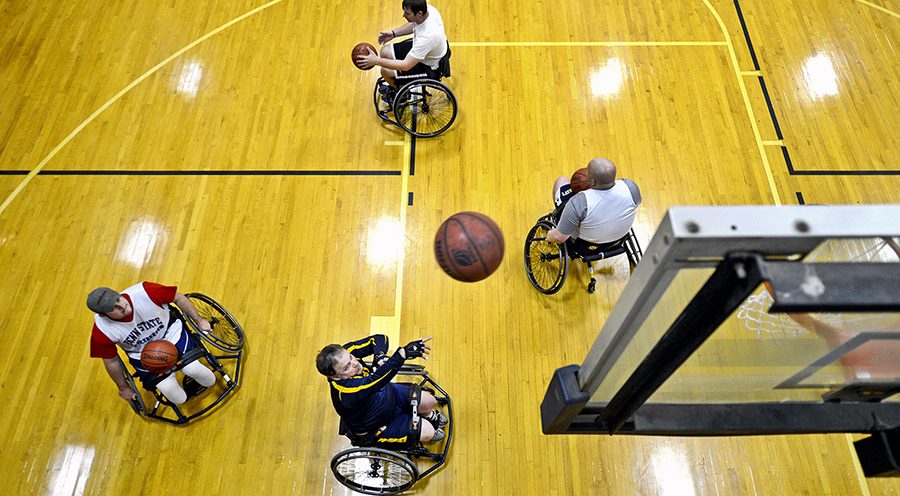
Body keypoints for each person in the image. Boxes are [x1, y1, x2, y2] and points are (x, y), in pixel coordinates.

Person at [87, 282, 217, 405]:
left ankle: (194, 373)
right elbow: (111, 361)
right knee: (178, 398)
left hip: (171, 334)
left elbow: (178, 297)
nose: (121, 306)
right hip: (143, 354)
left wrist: (200, 321)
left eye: (118, 299)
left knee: (203, 375)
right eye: (113, 308)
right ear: (103, 315)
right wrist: (123, 388)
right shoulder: (101, 330)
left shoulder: (145, 291)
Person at [316, 334, 448, 446]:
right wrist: (403, 354)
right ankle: (425, 427)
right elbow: (375, 381)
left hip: (388, 395)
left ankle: (428, 415)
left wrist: (379, 355)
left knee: (430, 401)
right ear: (334, 376)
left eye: (351, 357)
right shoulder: (345, 391)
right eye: (347, 367)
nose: (355, 363)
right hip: (378, 425)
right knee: (428, 433)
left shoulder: (343, 354)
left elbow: (379, 339)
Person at [356, 0, 448, 94]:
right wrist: (393, 34)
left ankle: (401, 93)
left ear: (419, 13)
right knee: (385, 51)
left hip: (429, 67)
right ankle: (399, 85)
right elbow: (414, 24)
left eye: (407, 13)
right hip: (426, 51)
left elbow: (405, 65)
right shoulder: (427, 11)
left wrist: (376, 61)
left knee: (385, 71)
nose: (403, 15)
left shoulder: (428, 36)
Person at [547, 157, 642, 247]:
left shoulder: (579, 202)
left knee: (562, 180)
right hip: (619, 238)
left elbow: (559, 238)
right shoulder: (631, 187)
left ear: (592, 182)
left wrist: (550, 235)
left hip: (586, 244)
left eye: (587, 172)